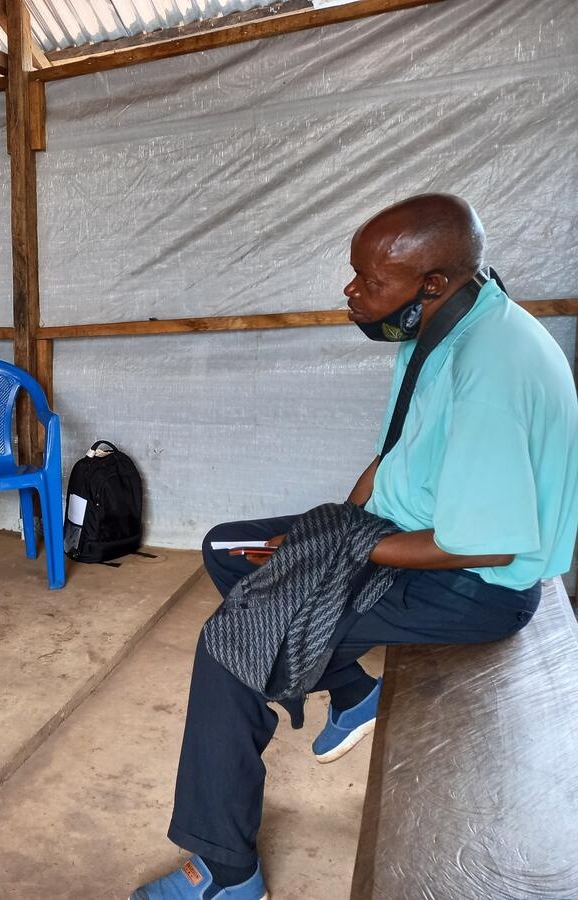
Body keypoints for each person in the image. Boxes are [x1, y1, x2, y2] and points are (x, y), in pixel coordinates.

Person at [133, 195, 578, 899]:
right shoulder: (445, 325)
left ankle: (224, 869)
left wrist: (337, 554)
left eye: (370, 281)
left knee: (232, 646)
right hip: (407, 534)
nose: (352, 291)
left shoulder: (489, 370)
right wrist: (331, 529)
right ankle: (351, 690)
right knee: (228, 548)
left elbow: (487, 547)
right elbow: (392, 455)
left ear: (431, 282)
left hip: (472, 587)